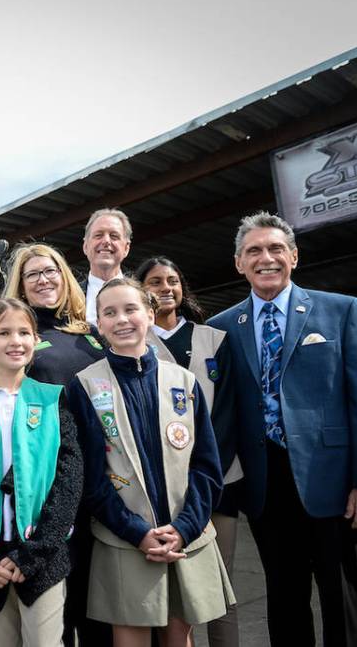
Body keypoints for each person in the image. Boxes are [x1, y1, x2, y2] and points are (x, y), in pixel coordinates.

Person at [208, 211, 357, 647]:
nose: (265, 258)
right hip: (266, 488)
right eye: (254, 250)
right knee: (285, 602)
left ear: (293, 255)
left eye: (275, 249)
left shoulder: (341, 310)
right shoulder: (220, 328)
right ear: (239, 263)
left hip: (338, 486)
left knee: (341, 600)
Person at [69, 278, 233, 647]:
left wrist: (186, 526)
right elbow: (91, 478)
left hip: (183, 537)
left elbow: (206, 466)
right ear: (98, 323)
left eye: (131, 309)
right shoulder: (85, 386)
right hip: (124, 540)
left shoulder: (184, 381)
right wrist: (136, 532)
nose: (122, 319)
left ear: (149, 313)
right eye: (109, 312)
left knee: (180, 636)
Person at [0, 298, 83, 647]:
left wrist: (33, 554)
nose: (15, 341)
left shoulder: (52, 400)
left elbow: (68, 482)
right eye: (4, 332)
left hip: (41, 555)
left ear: (36, 340)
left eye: (24, 332)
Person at [4, 242, 109, 647]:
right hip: (53, 482)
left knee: (97, 606)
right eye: (33, 274)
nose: (44, 279)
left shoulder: (90, 333)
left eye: (50, 271)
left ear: (64, 277)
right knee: (57, 609)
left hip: (101, 481)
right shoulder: (22, 337)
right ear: (22, 286)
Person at [136, 256, 239, 647]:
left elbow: (229, 414)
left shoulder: (214, 339)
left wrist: (209, 476)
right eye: (155, 281)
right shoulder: (133, 341)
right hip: (163, 491)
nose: (165, 287)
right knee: (172, 596)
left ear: (183, 289)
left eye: (173, 280)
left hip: (219, 482)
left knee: (218, 589)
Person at [79, 208, 132, 325]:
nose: (106, 241)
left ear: (126, 248)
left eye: (114, 236)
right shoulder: (67, 297)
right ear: (85, 246)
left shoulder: (142, 294)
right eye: (98, 235)